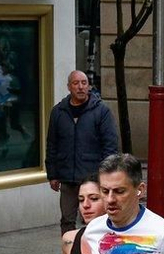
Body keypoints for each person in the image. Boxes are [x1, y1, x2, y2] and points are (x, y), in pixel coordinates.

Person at [45, 70, 120, 233]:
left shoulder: (101, 111)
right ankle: (70, 247)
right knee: (67, 219)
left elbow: (110, 145)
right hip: (67, 177)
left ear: (89, 86)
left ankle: (94, 247)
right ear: (69, 87)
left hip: (93, 176)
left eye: (84, 83)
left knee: (94, 219)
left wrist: (105, 174)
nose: (80, 87)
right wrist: (52, 174)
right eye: (76, 83)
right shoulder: (58, 112)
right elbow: (52, 144)